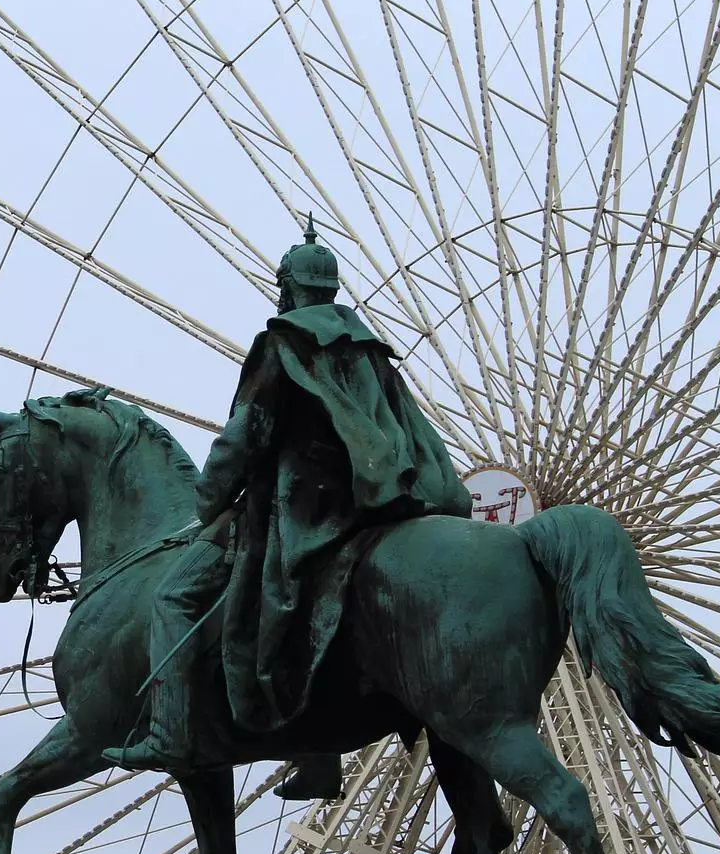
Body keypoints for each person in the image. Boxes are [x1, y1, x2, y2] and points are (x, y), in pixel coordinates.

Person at [104, 221, 473, 787]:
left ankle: (170, 732)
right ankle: (319, 753)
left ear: (288, 288)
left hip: (304, 508)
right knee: (302, 602)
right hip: (378, 500)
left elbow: (246, 434)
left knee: (182, 597)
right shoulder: (369, 348)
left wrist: (210, 498)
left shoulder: (286, 343)